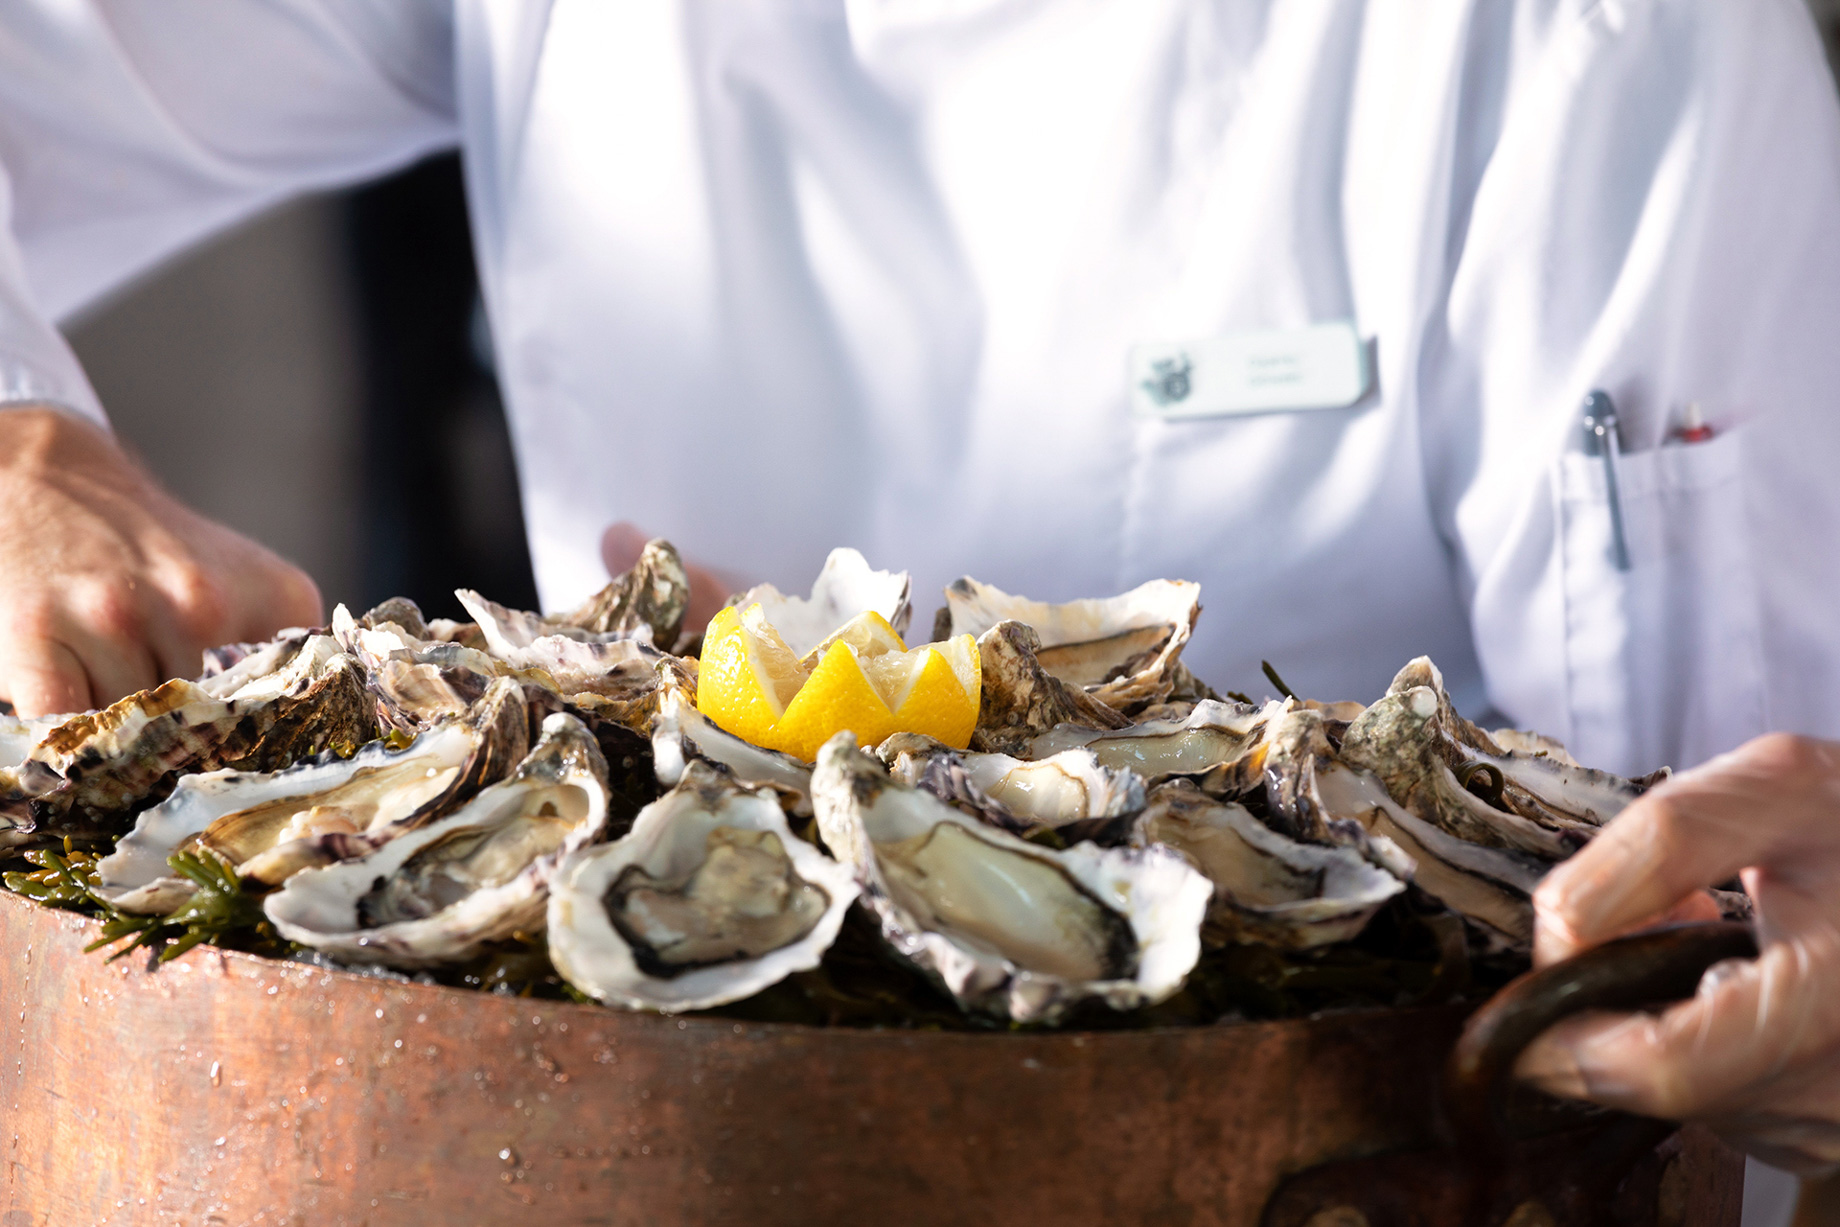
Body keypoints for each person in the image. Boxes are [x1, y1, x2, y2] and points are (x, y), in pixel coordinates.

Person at [2, 0, 1838, 1196]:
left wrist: (1794, 987)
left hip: (1328, 1166)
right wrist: (17, 450)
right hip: (646, 1139)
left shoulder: (1624, 46)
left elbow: (1748, 856)